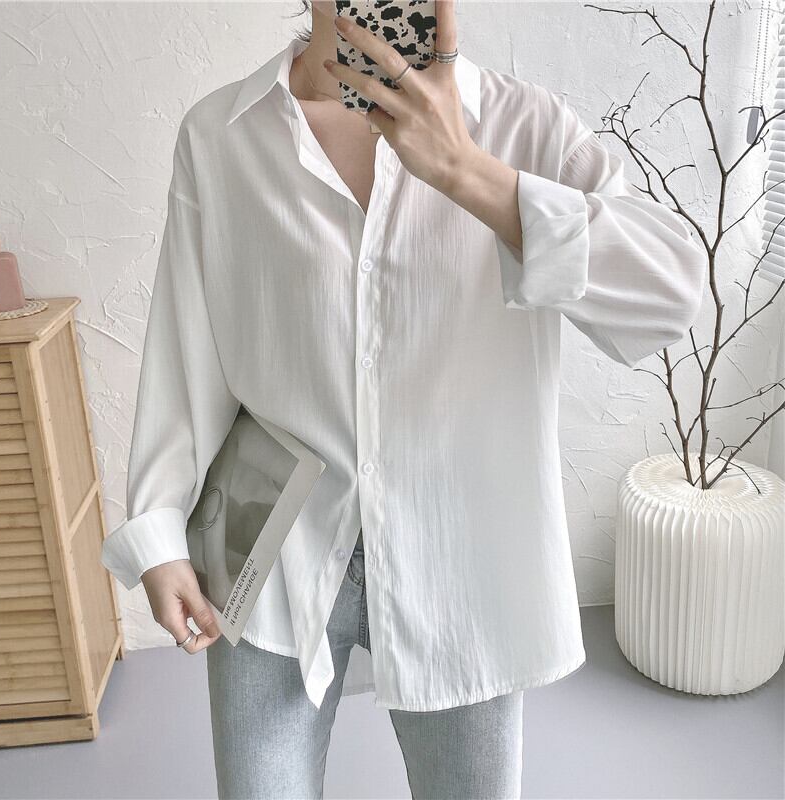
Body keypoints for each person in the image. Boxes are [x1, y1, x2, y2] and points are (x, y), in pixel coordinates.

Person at [100, 1, 707, 797]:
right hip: (273, 553)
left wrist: (470, 174)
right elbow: (189, 346)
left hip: (462, 560)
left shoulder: (525, 128)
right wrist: (159, 530)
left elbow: (671, 293)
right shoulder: (222, 136)